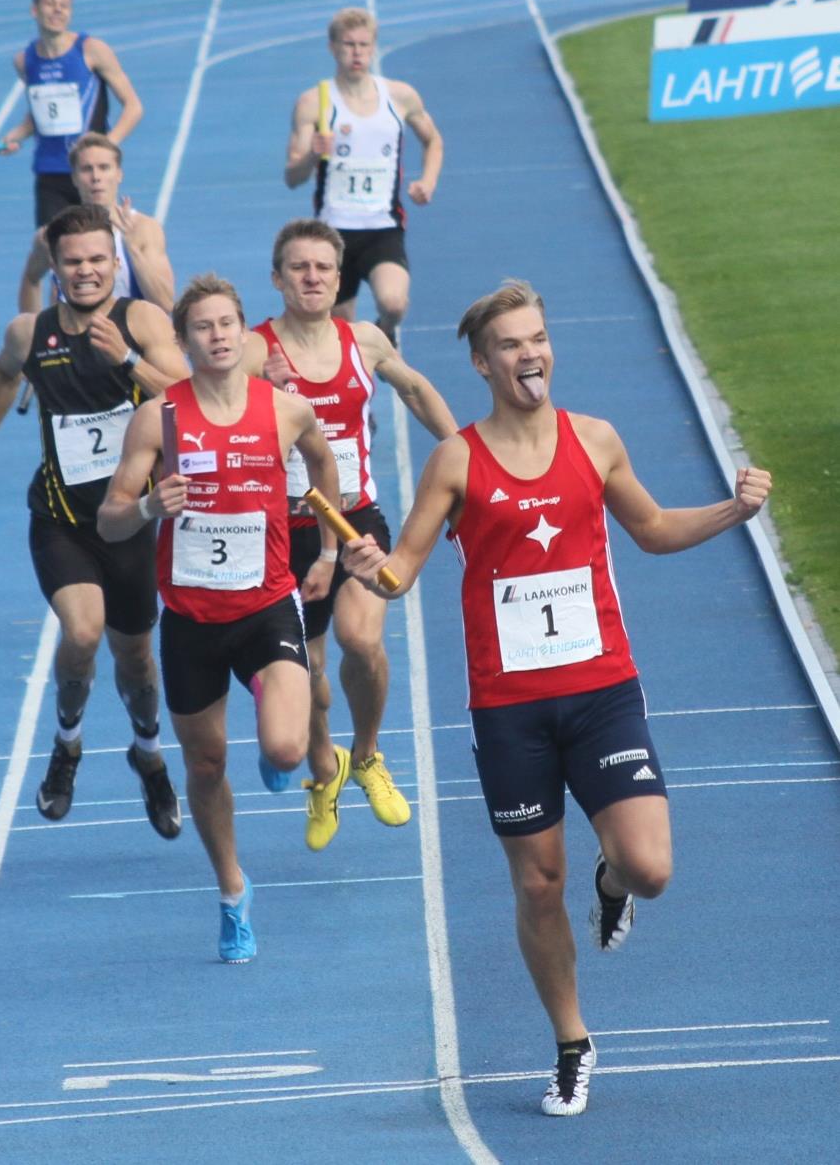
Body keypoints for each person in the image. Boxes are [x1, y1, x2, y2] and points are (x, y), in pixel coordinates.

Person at [341, 280, 772, 1116]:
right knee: (538, 884)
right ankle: (572, 1042)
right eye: (509, 343)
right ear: (481, 362)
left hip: (602, 687)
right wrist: (374, 572)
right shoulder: (456, 460)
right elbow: (403, 569)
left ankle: (609, 881)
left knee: (649, 868)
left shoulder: (594, 439)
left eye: (536, 338)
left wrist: (732, 511)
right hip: (508, 709)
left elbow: (647, 529)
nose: (528, 353)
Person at [97, 274, 341, 963]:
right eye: (203, 327)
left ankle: (272, 707)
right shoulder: (159, 417)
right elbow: (110, 520)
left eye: (228, 323)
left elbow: (324, 464)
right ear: (183, 340)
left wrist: (326, 546)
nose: (218, 336)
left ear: (245, 332)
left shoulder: (285, 411)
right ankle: (233, 893)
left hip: (265, 604)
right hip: (191, 620)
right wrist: (149, 507)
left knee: (286, 752)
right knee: (205, 765)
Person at [0, 204, 189, 842]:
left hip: (133, 520)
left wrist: (127, 362)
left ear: (116, 261)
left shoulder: (141, 321)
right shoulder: (30, 334)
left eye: (96, 260)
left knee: (137, 660)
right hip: (61, 519)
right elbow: (3, 378)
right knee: (82, 634)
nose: (85, 271)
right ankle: (68, 744)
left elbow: (192, 399)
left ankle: (148, 752)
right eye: (72, 261)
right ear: (55, 268)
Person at [243, 219, 457, 852]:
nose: (312, 278)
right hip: (282, 530)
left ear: (340, 279)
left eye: (323, 269)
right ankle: (323, 769)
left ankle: (364, 757)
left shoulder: (364, 341)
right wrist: (258, 394)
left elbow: (415, 388)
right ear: (278, 278)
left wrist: (466, 454)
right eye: (299, 268)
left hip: (354, 517)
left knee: (361, 639)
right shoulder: (253, 352)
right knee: (308, 674)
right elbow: (205, 402)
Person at [284, 7, 443, 344]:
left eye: (364, 45)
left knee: (394, 303)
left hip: (382, 226)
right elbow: (292, 176)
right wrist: (313, 152)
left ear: (373, 47)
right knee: (341, 331)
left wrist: (428, 181)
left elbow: (433, 140)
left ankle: (385, 331)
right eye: (348, 44)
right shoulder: (314, 103)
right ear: (332, 47)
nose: (357, 53)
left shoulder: (399, 97)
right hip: (332, 231)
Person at [1, 0, 144, 226]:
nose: (58, 10)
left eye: (64, 5)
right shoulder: (25, 61)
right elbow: (41, 114)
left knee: (99, 246)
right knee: (52, 246)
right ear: (35, 10)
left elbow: (133, 106)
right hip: (50, 172)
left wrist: (108, 146)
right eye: (50, 4)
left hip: (90, 172)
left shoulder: (91, 50)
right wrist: (15, 135)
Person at [18, 133, 175, 314]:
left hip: (131, 339)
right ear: (74, 178)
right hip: (76, 340)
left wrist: (133, 250)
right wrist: (36, 333)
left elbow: (165, 304)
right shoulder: (52, 236)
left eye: (104, 167)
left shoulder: (144, 229)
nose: (96, 177)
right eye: (86, 169)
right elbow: (31, 279)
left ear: (119, 174)